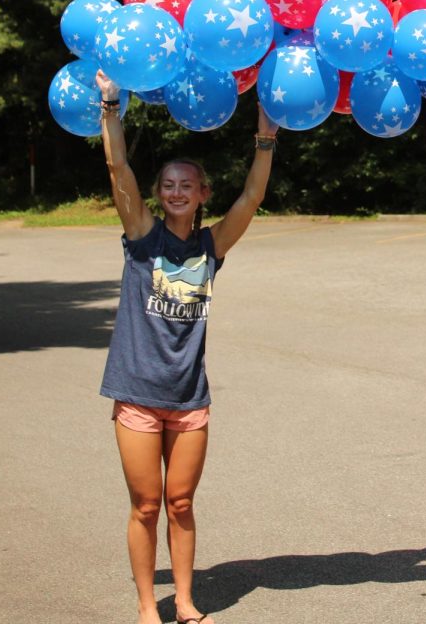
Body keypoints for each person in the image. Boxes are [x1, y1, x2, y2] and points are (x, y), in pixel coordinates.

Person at [96, 69, 278, 624]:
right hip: (137, 394)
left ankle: (188, 601)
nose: (176, 192)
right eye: (168, 185)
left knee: (180, 503)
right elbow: (117, 167)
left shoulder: (211, 243)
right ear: (158, 195)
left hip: (189, 399)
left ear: (202, 194)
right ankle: (149, 604)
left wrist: (265, 137)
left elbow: (252, 195)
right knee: (147, 505)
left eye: (187, 185)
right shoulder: (142, 238)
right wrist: (110, 109)